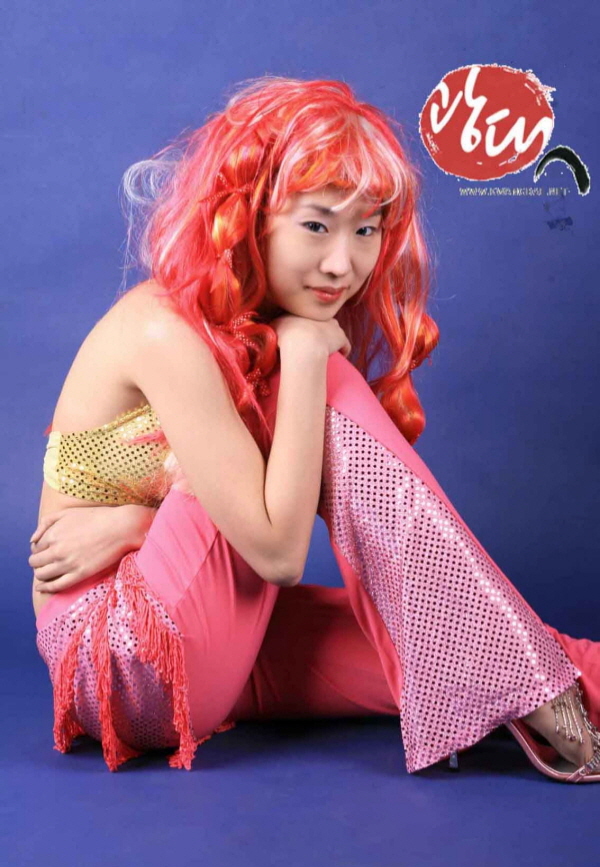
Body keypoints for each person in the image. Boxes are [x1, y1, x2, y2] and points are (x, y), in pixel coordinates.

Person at [30, 75, 600, 781]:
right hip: (122, 662)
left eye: (366, 230)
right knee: (329, 381)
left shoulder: (252, 331)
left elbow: (224, 518)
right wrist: (303, 355)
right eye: (316, 225)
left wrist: (135, 527)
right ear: (246, 216)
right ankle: (549, 707)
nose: (342, 263)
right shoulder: (161, 329)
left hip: (204, 648)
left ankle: (552, 689)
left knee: (448, 648)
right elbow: (277, 554)